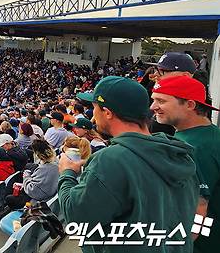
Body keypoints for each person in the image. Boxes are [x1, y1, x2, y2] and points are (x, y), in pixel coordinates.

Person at [59, 76, 199, 250]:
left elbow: (77, 218)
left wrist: (66, 173)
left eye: (94, 108)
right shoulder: (177, 153)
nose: (93, 116)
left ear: (107, 113)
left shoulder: (110, 160)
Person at [150, 75, 220, 252]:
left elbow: (199, 208)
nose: (153, 107)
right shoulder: (209, 134)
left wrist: (179, 246)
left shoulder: (192, 147)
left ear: (190, 105)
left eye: (161, 101)